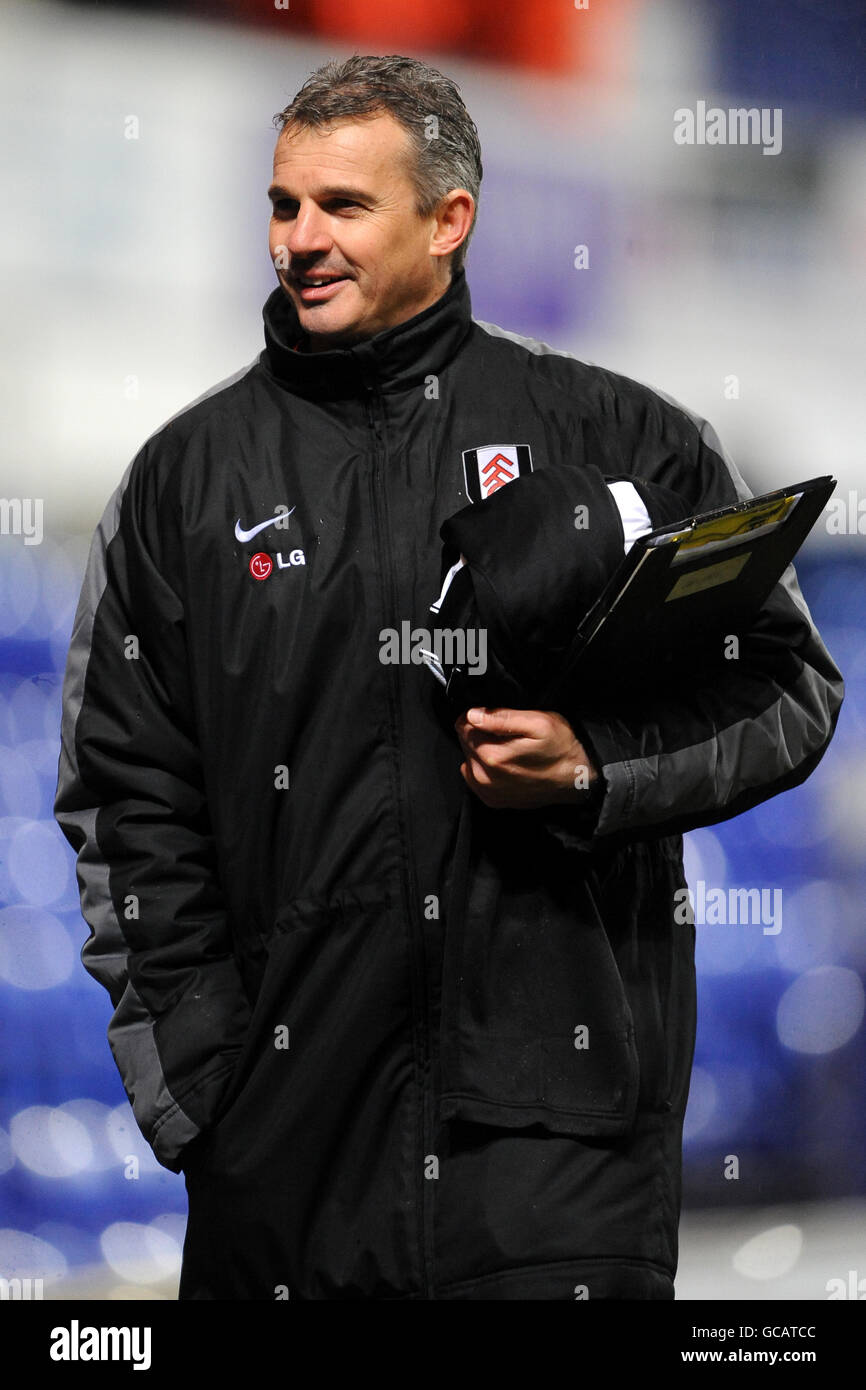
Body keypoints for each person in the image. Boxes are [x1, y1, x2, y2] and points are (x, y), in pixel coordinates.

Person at [54, 54, 843, 1301]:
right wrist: (209, 1098)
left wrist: (595, 771)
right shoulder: (184, 484)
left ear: (448, 219)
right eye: (282, 205)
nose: (300, 239)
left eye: (342, 206)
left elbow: (784, 690)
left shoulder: (622, 436)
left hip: (556, 1164)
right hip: (285, 1172)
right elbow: (120, 795)